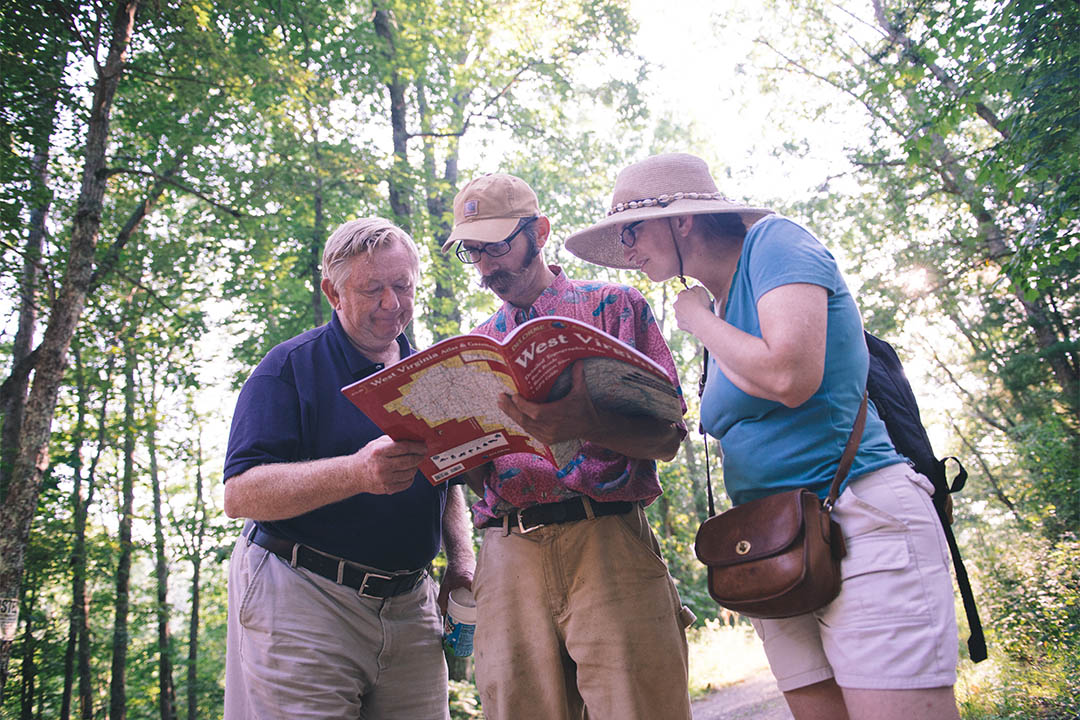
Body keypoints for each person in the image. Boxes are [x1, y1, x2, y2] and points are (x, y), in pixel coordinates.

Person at [565, 152, 962, 720]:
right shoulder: (722, 302)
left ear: (683, 220)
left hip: (858, 523)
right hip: (777, 545)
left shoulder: (776, 244)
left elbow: (789, 376)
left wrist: (697, 319)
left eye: (632, 230)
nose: (627, 250)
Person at [441, 172, 695, 720]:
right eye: (473, 253)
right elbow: (475, 475)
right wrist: (457, 457)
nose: (487, 266)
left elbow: (668, 440)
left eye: (498, 246)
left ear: (541, 232)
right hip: (506, 556)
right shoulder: (474, 348)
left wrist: (589, 423)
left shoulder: (616, 307)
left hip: (607, 540)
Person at [222, 217, 475, 720]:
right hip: (303, 596)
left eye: (402, 286)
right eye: (372, 289)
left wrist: (462, 560)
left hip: (412, 605)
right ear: (333, 293)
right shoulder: (288, 368)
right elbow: (240, 495)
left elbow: (448, 478)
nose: (391, 303)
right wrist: (356, 473)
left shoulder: (432, 370)